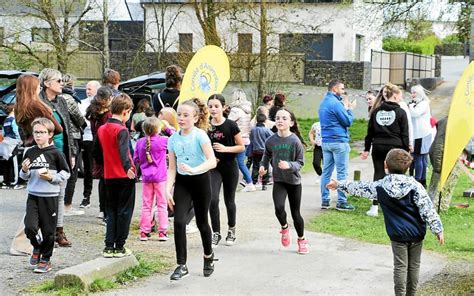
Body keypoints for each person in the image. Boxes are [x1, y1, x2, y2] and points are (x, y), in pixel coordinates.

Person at [327, 148, 444, 296]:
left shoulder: (380, 186)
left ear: (385, 165)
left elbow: (360, 187)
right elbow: (428, 209)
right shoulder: (416, 187)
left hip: (397, 234)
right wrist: (438, 229)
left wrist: (339, 184)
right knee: (414, 266)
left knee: (400, 267)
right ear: (408, 167)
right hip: (417, 232)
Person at [166, 99, 217, 280]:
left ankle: (208, 256)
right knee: (179, 222)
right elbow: (172, 168)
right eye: (179, 114)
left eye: (186, 115)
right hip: (182, 183)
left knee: (202, 222)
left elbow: (212, 161)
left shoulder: (200, 135)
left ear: (195, 118)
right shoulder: (172, 138)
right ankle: (182, 265)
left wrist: (195, 170)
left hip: (201, 181)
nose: (181, 118)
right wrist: (166, 189)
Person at [20, 117, 70, 273]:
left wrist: (52, 178)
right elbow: (23, 177)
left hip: (50, 197)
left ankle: (46, 260)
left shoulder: (56, 153)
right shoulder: (30, 152)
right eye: (36, 132)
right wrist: (25, 171)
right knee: (30, 227)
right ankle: (37, 247)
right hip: (33, 195)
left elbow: (66, 172)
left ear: (50, 134)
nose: (38, 135)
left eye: (42, 132)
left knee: (49, 232)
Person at [259, 108, 308, 254]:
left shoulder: (295, 141)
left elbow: (300, 163)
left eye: (284, 118)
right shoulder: (271, 140)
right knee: (279, 208)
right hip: (279, 180)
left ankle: (302, 239)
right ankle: (285, 228)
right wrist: (263, 166)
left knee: (296, 213)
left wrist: (289, 165)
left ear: (291, 122)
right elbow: (266, 155)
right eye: (278, 118)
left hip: (294, 182)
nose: (280, 120)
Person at [93, 94, 136, 258]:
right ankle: (120, 246)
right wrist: (128, 168)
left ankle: (108, 246)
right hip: (124, 177)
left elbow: (96, 152)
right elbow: (124, 152)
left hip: (108, 176)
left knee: (111, 211)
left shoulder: (102, 128)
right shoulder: (122, 130)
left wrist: (105, 165)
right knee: (124, 212)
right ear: (126, 111)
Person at [39, 68, 77, 246]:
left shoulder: (62, 101)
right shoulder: (38, 102)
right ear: (47, 83)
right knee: (45, 196)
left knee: (61, 194)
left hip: (62, 152)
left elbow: (68, 128)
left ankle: (59, 231)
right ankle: (44, 232)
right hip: (45, 154)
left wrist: (72, 153)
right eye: (58, 81)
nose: (62, 83)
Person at [361, 83, 409, 217]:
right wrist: (406, 152)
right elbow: (405, 134)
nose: (401, 97)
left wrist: (366, 148)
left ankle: (374, 206)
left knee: (378, 174)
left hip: (378, 146)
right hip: (395, 147)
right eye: (400, 95)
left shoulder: (375, 111)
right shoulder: (401, 112)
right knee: (397, 177)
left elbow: (369, 132)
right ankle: (395, 206)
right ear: (394, 95)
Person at [207, 94, 245, 247]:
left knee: (229, 200)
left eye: (216, 106)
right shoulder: (207, 126)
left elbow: (241, 146)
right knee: (213, 199)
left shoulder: (230, 125)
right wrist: (210, 157)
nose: (213, 109)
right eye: (210, 106)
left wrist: (225, 149)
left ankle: (231, 230)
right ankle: (216, 233)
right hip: (213, 168)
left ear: (223, 107)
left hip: (230, 166)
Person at [318, 79, 356, 211]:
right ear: (334, 89)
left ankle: (325, 200)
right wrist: (350, 109)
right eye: (342, 88)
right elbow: (347, 121)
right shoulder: (335, 103)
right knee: (342, 173)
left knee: (326, 172)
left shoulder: (323, 103)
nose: (343, 91)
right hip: (339, 141)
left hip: (326, 141)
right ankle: (341, 201)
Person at [133, 117, 169, 241]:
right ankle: (162, 232)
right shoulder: (164, 140)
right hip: (161, 178)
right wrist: (167, 127)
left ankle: (144, 231)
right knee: (162, 205)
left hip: (146, 178)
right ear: (158, 129)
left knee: (146, 205)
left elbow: (135, 159)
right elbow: (175, 137)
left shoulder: (139, 142)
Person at [60, 74, 87, 216]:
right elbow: (80, 119)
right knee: (72, 172)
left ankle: (60, 204)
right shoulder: (69, 99)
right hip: (73, 137)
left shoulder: (57, 98)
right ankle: (67, 205)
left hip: (61, 137)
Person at [86, 86, 113, 220]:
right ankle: (107, 213)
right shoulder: (107, 114)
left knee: (102, 180)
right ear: (108, 99)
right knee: (107, 180)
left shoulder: (93, 111)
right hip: (104, 147)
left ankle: (102, 210)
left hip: (95, 145)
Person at [78, 80, 101, 208]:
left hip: (99, 138)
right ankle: (86, 196)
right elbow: (81, 120)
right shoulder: (82, 103)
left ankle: (103, 204)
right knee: (88, 169)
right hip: (87, 138)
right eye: (86, 89)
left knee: (102, 170)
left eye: (90, 89)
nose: (87, 91)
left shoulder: (102, 104)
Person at [228, 89, 255, 192]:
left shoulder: (235, 111)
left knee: (239, 163)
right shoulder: (247, 110)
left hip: (237, 140)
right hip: (246, 139)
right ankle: (246, 182)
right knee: (238, 162)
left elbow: (229, 123)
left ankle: (249, 182)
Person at [408, 85, 433, 188]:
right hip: (422, 134)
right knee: (422, 158)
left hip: (420, 135)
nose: (412, 95)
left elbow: (414, 113)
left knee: (418, 157)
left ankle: (418, 181)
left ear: (420, 94)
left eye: (415, 93)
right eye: (412, 92)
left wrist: (409, 106)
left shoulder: (422, 104)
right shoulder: (420, 103)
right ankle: (422, 181)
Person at [249, 113, 273, 190]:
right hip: (264, 152)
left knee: (255, 166)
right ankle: (264, 183)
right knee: (265, 167)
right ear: (265, 121)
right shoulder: (266, 130)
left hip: (255, 151)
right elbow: (272, 137)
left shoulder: (253, 130)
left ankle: (254, 181)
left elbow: (251, 139)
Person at [0, 104, 21, 189]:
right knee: (14, 162)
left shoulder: (6, 120)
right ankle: (14, 182)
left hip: (6, 142)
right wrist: (20, 140)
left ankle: (6, 181)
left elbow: (4, 133)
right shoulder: (13, 120)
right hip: (13, 143)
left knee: (6, 162)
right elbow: (16, 131)